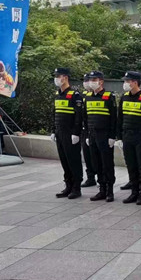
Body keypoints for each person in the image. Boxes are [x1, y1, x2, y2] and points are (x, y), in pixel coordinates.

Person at [116, 71, 141, 205]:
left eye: (128, 81)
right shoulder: (124, 97)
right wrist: (119, 137)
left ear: (135, 82)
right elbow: (120, 118)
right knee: (131, 165)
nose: (125, 83)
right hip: (127, 136)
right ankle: (134, 192)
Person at [82, 70, 117, 202]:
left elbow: (114, 118)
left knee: (107, 164)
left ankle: (110, 191)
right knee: (96, 163)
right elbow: (85, 117)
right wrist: (87, 134)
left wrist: (112, 136)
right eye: (90, 80)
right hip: (92, 135)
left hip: (104, 135)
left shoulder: (108, 96)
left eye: (94, 80)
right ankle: (101, 189)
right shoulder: (88, 97)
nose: (91, 82)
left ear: (101, 81)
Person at [51, 67, 83, 199]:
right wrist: (53, 130)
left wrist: (76, 132)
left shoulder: (75, 95)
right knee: (64, 160)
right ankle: (68, 185)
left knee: (73, 160)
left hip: (70, 133)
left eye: (58, 76)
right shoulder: (58, 94)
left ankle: (76, 188)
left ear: (65, 77)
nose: (56, 79)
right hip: (60, 132)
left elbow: (79, 116)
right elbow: (54, 113)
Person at [80, 74, 97, 188]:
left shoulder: (98, 96)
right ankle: (90, 177)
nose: (86, 83)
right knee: (87, 155)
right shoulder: (82, 96)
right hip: (84, 130)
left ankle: (101, 178)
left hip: (95, 129)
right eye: (85, 81)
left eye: (88, 80)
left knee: (96, 156)